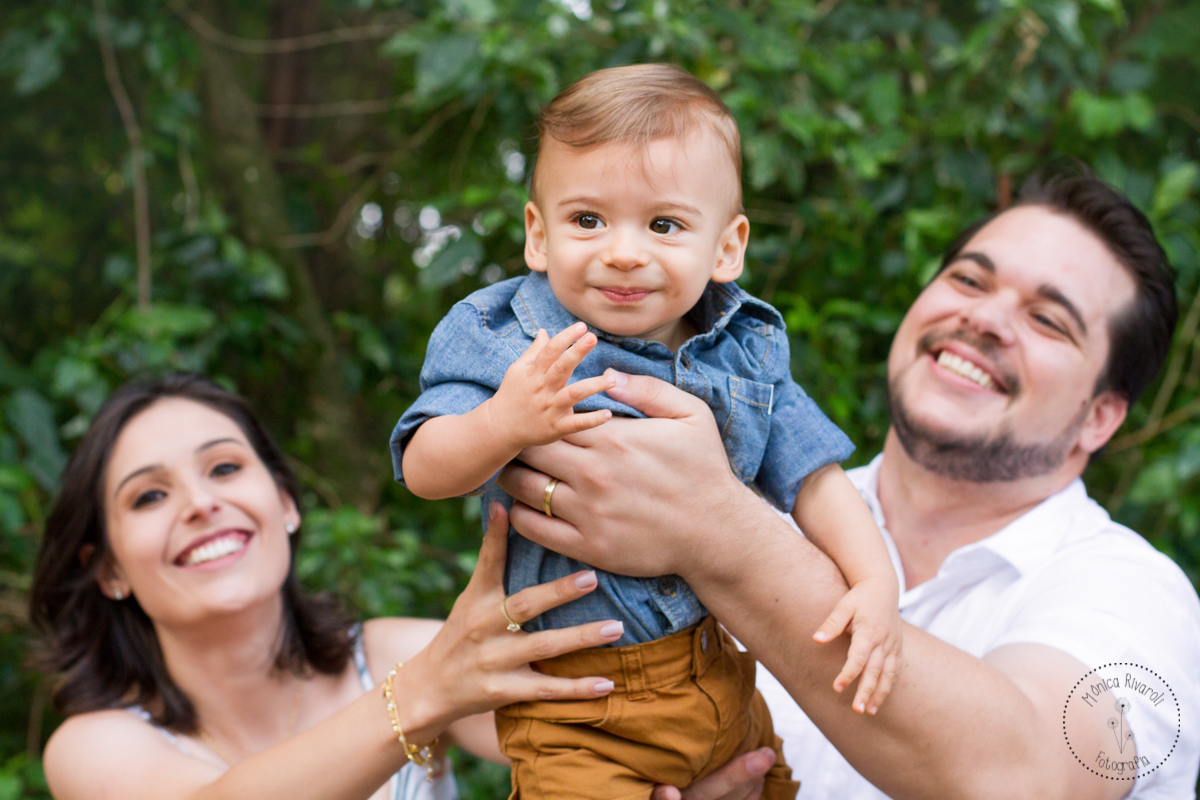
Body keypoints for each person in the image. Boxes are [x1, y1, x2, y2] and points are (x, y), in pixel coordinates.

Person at [497, 169, 1200, 799]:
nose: (983, 318)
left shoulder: (1137, 592)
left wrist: (717, 532)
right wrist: (444, 678)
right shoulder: (752, 496)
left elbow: (1030, 778)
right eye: (969, 280)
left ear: (1100, 418)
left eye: (1047, 320)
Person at [391, 64, 901, 798]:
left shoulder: (746, 348)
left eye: (663, 225)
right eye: (588, 220)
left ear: (726, 248)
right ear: (538, 235)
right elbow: (423, 465)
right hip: (576, 708)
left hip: (717, 676)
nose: (623, 251)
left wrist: (874, 578)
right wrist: (500, 422)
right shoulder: (503, 337)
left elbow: (812, 474)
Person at [29, 374, 626, 800]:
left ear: (285, 504)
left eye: (225, 468)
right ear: (107, 568)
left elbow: (612, 736)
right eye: (150, 496)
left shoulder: (395, 655)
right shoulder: (95, 747)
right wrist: (426, 692)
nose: (201, 503)